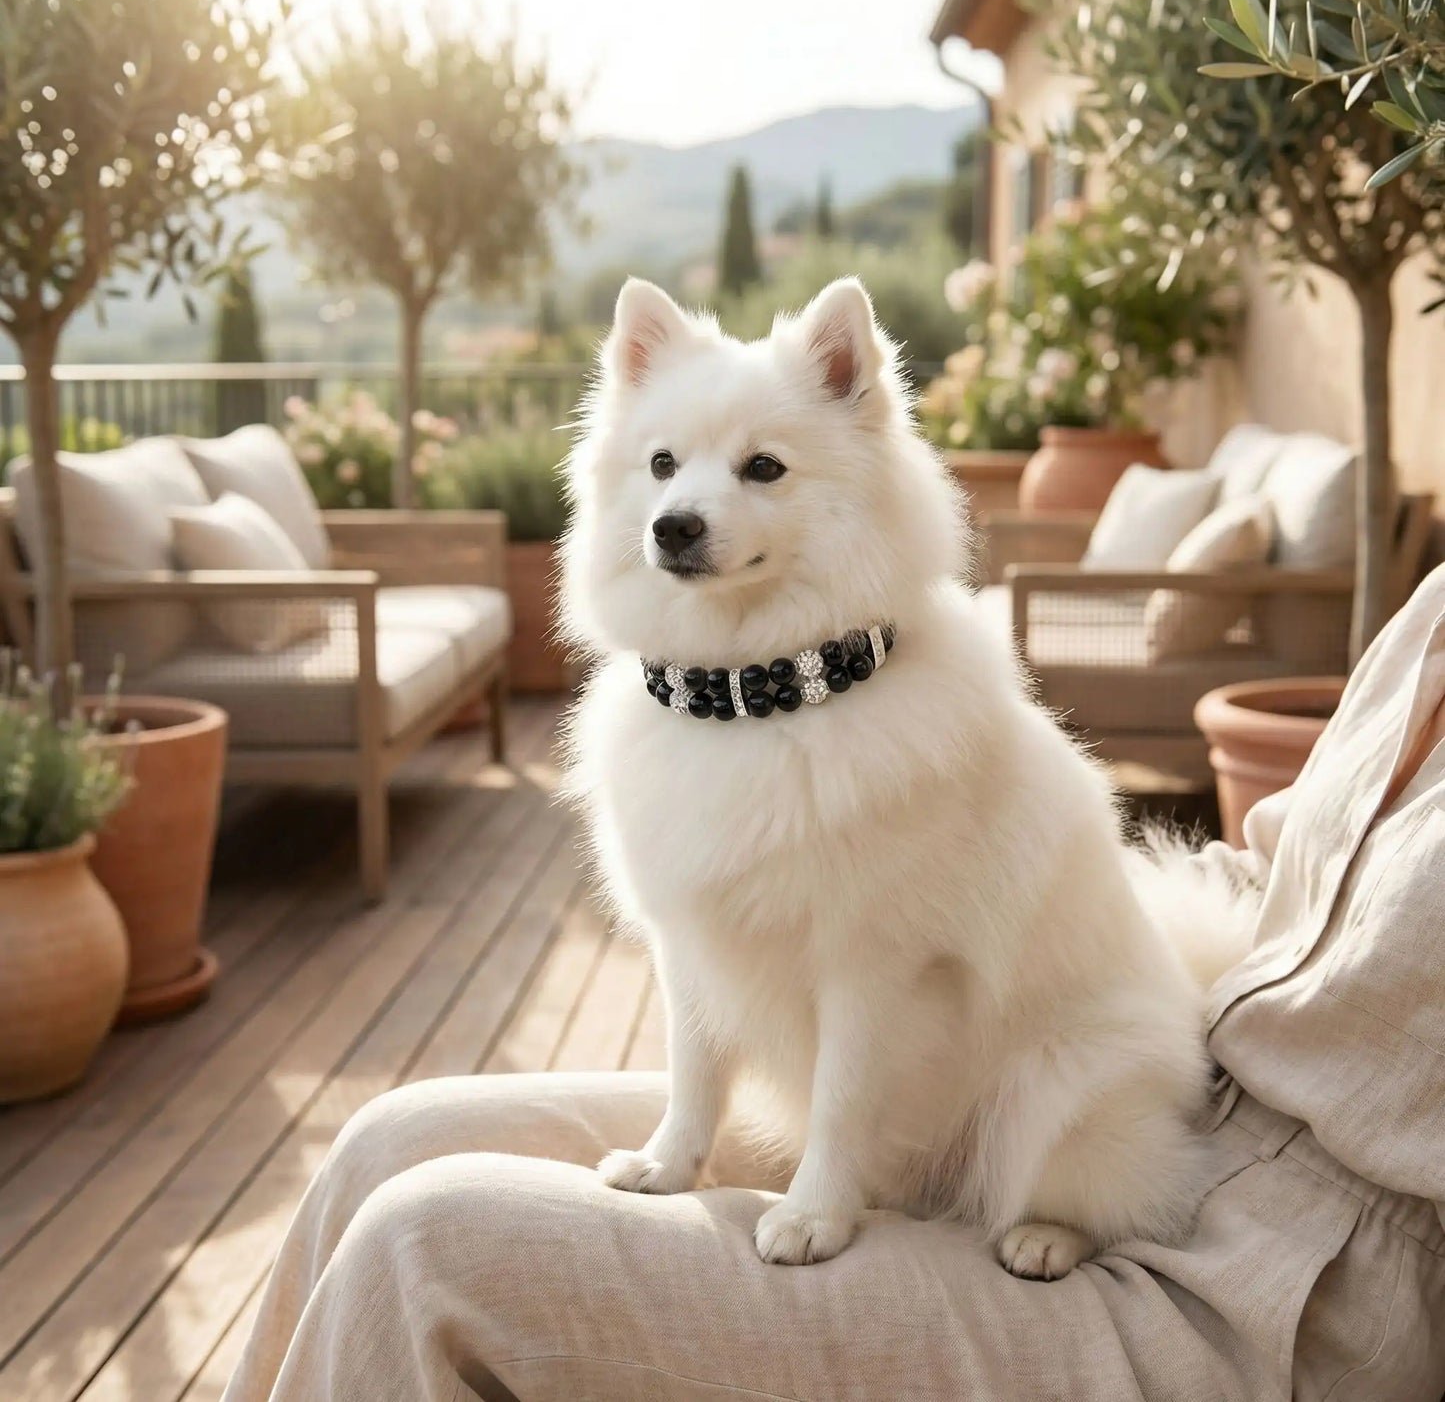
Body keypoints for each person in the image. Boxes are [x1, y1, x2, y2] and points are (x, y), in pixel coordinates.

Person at [222, 566, 1445, 1402]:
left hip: (1259, 1294)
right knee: (397, 1132)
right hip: (1133, 1082)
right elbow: (1281, 863)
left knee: (425, 1246)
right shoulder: (1429, 614)